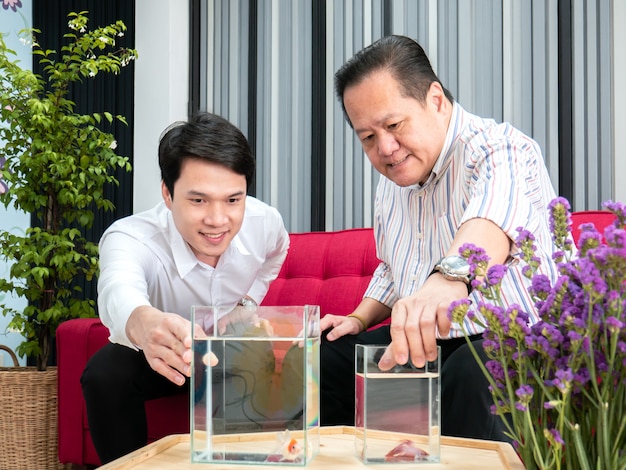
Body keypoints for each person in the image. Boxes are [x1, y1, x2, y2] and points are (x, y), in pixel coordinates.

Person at [320, 35, 561, 442]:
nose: (386, 149)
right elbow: (394, 271)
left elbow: (491, 223)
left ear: (434, 98)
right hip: (434, 338)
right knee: (326, 361)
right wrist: (358, 319)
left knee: (472, 371)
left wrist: (448, 280)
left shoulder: (501, 148)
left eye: (394, 125)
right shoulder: (393, 182)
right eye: (368, 137)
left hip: (516, 337)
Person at [81, 112, 290, 463]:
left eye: (233, 200)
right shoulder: (131, 236)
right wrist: (145, 323)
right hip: (165, 355)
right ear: (167, 193)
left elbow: (277, 252)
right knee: (106, 372)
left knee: (271, 352)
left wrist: (247, 304)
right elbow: (119, 288)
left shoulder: (264, 222)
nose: (217, 220)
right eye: (198, 200)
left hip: (232, 352)